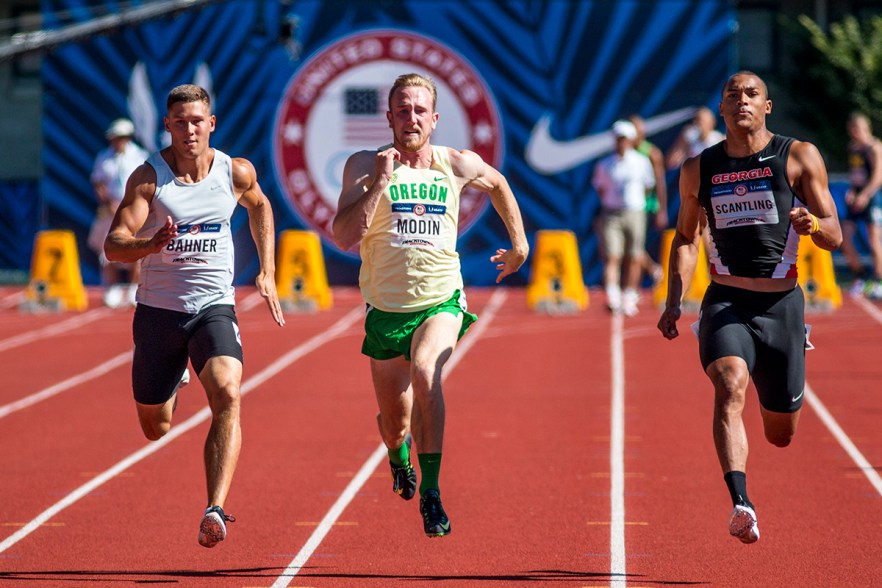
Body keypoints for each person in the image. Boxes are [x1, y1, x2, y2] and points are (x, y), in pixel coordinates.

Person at [332, 73, 528, 538]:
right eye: (403, 110)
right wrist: (380, 183)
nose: (411, 118)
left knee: (426, 372)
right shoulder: (363, 165)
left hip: (441, 299)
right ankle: (399, 458)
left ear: (435, 119)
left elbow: (497, 183)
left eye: (420, 110)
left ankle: (433, 493)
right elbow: (342, 237)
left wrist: (519, 243)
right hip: (385, 310)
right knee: (395, 424)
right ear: (390, 118)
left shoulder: (455, 164)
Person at [657, 71, 842, 544]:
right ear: (721, 109)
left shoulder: (797, 156)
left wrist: (811, 225)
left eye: (751, 94)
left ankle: (780, 370)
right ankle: (741, 502)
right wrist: (675, 299)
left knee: (781, 434)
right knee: (729, 385)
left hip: (782, 306)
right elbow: (685, 237)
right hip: (726, 301)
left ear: (767, 107)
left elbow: (835, 234)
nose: (742, 100)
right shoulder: (700, 168)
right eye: (732, 94)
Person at [104, 84, 285, 548]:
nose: (189, 130)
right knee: (154, 428)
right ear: (167, 125)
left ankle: (215, 507)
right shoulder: (149, 179)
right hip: (159, 313)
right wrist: (149, 245)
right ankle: (175, 381)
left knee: (228, 391)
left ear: (212, 124)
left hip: (213, 307)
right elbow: (114, 244)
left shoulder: (234, 172)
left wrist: (267, 270)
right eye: (180, 121)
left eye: (197, 121)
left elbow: (261, 207)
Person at [592, 119, 656, 316]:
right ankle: (612, 295)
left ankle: (629, 296)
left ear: (630, 140)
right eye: (618, 139)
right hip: (612, 213)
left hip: (635, 212)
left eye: (624, 138)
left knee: (635, 256)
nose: (621, 142)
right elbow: (600, 188)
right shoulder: (605, 164)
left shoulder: (641, 161)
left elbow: (648, 186)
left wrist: (637, 205)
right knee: (612, 256)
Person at [88, 118, 148, 308]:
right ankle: (112, 288)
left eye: (122, 137)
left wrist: (134, 205)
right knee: (109, 249)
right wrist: (108, 202)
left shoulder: (140, 156)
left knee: (138, 247)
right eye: (115, 137)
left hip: (135, 210)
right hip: (111, 210)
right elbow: (98, 183)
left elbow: (146, 183)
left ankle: (133, 288)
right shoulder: (103, 158)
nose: (118, 141)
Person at [839, 112, 882, 299]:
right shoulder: (852, 148)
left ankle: (879, 280)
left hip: (872, 197)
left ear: (864, 128)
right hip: (856, 197)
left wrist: (864, 195)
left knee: (874, 239)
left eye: (856, 129)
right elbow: (856, 174)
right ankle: (860, 276)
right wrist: (852, 191)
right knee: (844, 237)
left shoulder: (874, 148)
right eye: (851, 130)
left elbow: (878, 176)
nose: (853, 133)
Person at [629, 114, 669, 286]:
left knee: (634, 247)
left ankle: (635, 287)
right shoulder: (624, 151)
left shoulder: (651, 153)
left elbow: (660, 183)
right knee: (631, 247)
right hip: (628, 205)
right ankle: (652, 270)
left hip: (646, 205)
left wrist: (661, 209)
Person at [665, 106, 725, 170]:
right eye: (696, 120)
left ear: (711, 123)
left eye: (701, 121)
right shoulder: (689, 138)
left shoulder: (720, 140)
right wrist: (682, 142)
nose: (698, 124)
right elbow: (671, 163)